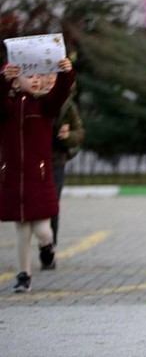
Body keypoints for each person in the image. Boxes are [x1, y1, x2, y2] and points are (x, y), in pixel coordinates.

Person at [1, 58, 74, 292]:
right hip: (13, 178)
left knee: (42, 230)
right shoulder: (7, 109)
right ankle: (24, 274)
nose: (35, 79)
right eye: (28, 76)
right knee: (22, 231)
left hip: (39, 179)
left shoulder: (44, 106)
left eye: (38, 76)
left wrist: (66, 73)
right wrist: (2, 82)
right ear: (14, 82)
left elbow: (60, 95)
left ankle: (47, 245)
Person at [43, 73, 85, 248]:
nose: (51, 78)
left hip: (56, 161)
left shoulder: (67, 105)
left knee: (52, 205)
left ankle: (49, 247)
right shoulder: (29, 100)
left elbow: (79, 133)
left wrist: (68, 136)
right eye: (48, 75)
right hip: (32, 159)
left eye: (55, 75)